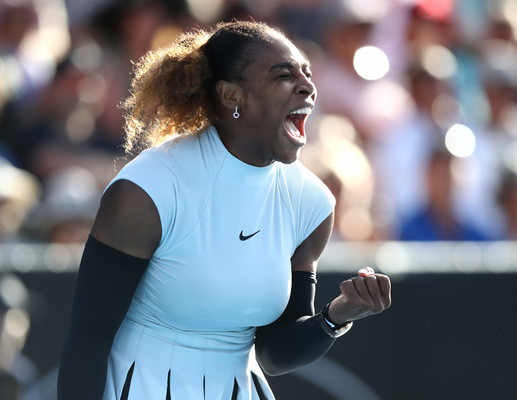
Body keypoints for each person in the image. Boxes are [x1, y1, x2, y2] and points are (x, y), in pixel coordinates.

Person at [57, 21, 392, 400]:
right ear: (232, 96)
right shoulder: (148, 188)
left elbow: (274, 353)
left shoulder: (312, 203)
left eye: (307, 73)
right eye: (284, 75)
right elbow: (89, 338)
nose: (307, 87)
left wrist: (336, 316)